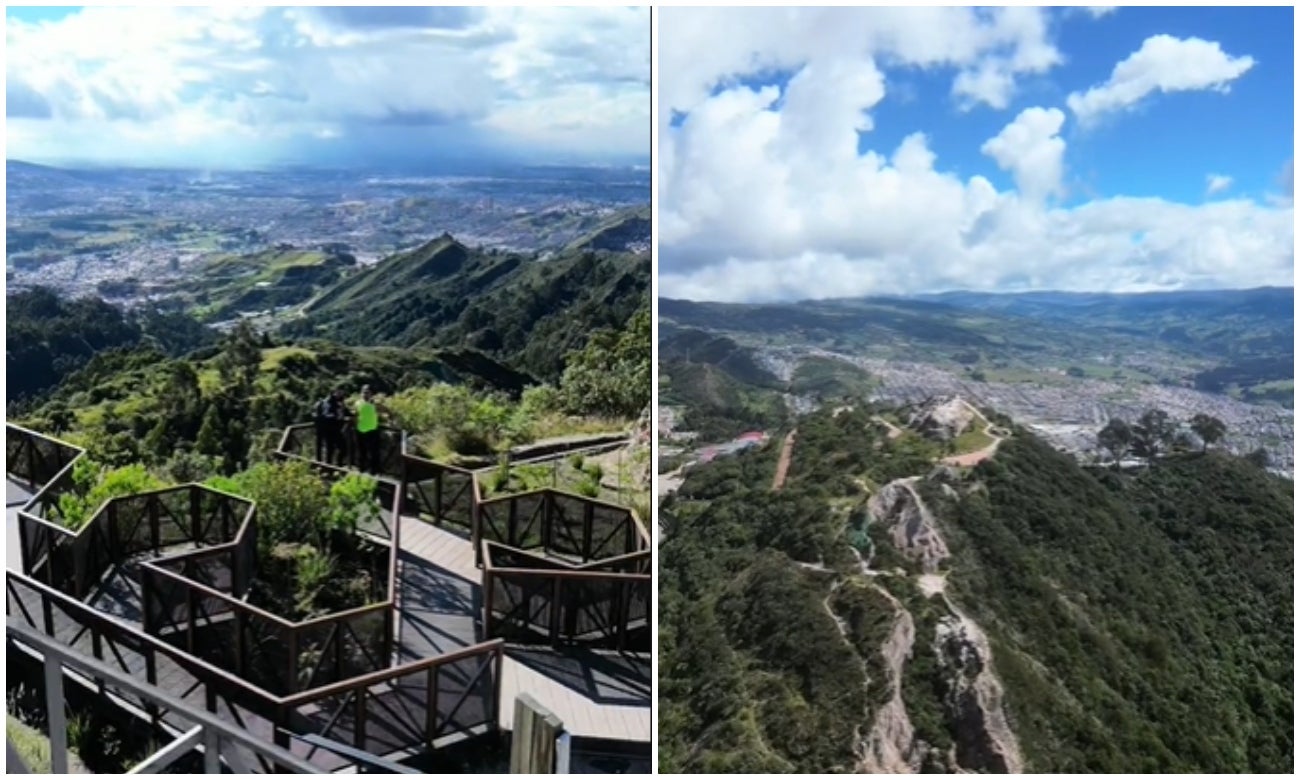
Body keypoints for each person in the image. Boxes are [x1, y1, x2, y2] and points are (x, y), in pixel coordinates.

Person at [354, 385, 388, 474]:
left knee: (374, 452)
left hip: (372, 430)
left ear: (371, 393)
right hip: (360, 430)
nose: (365, 394)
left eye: (367, 392)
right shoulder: (357, 403)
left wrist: (389, 420)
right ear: (361, 393)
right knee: (362, 452)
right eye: (364, 392)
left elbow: (387, 411)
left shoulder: (375, 403)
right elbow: (356, 415)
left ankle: (373, 472)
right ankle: (361, 470)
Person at [314, 389, 348, 465]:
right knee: (333, 449)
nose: (340, 395)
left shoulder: (338, 402)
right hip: (330, 430)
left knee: (335, 449)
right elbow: (328, 415)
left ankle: (334, 466)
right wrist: (337, 416)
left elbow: (345, 412)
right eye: (338, 393)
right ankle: (333, 467)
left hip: (334, 430)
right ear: (333, 393)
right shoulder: (328, 403)